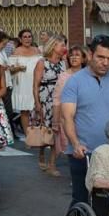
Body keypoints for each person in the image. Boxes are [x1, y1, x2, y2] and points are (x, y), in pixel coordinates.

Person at [61, 35, 109, 204]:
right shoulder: (74, 82)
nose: (106, 63)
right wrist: (76, 143)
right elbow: (67, 117)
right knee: (82, 198)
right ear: (91, 55)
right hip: (83, 152)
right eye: (101, 57)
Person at [32, 36, 66, 174]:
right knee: (45, 130)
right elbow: (35, 84)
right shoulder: (42, 62)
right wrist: (37, 103)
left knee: (55, 131)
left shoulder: (64, 63)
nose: (64, 48)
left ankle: (52, 164)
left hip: (60, 99)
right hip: (46, 97)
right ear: (53, 46)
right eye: (61, 45)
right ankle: (41, 152)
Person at [53, 44, 86, 170]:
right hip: (67, 117)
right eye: (71, 56)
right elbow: (57, 99)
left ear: (83, 58)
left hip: (84, 116)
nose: (74, 58)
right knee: (70, 146)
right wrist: (55, 121)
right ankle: (75, 174)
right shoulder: (63, 76)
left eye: (77, 55)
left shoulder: (88, 75)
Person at [9, 28, 42, 135]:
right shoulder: (16, 51)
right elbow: (10, 70)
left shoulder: (37, 50)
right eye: (25, 37)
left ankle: (40, 134)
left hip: (36, 82)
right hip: (23, 84)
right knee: (25, 110)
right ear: (20, 39)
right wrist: (18, 68)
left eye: (29, 36)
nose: (27, 39)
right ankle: (28, 135)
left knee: (38, 108)